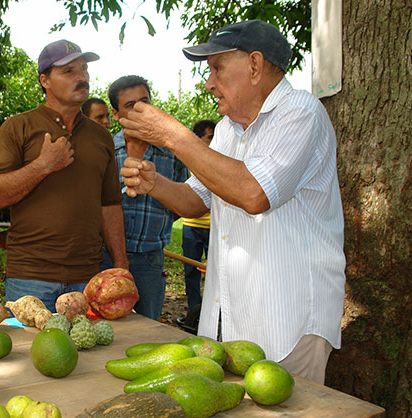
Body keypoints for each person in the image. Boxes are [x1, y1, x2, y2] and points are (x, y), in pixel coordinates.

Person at [119, 20, 345, 384]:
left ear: (255, 66)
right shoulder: (227, 129)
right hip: (233, 317)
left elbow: (254, 194)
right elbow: (196, 200)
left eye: (216, 68)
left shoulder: (301, 113)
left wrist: (174, 135)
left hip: (289, 319)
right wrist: (155, 183)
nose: (209, 83)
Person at [0, 39, 129, 312]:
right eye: (69, 71)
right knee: (30, 355)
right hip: (30, 279)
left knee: (89, 354)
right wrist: (43, 165)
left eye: (84, 69)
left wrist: (120, 266)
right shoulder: (18, 127)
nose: (82, 77)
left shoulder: (101, 136)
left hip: (88, 277)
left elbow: (110, 205)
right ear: (45, 80)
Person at [101, 75, 188, 320]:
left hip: (151, 259)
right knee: (106, 327)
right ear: (116, 114)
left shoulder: (171, 151)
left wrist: (160, 224)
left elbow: (186, 198)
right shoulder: (104, 149)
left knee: (148, 328)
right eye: (130, 105)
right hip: (104, 256)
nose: (140, 110)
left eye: (144, 102)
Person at [176, 119, 216, 333]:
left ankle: (209, 312)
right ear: (199, 138)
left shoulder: (221, 160)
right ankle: (194, 313)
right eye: (209, 137)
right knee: (191, 270)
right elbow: (186, 193)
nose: (212, 141)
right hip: (191, 226)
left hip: (212, 227)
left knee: (213, 272)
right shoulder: (190, 161)